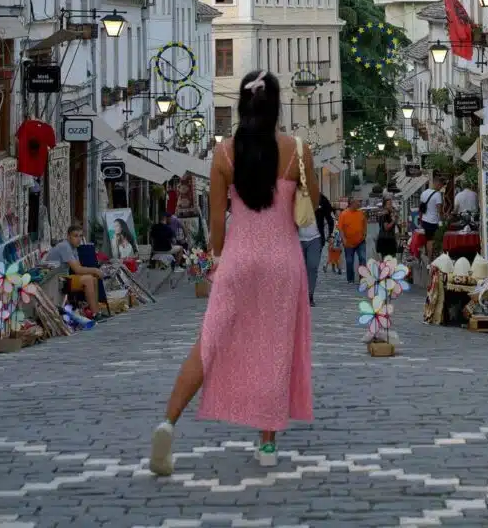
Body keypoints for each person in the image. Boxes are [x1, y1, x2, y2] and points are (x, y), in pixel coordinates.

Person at [150, 70, 316, 475]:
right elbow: (310, 211)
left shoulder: (224, 153)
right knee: (275, 347)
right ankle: (267, 442)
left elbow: (217, 229)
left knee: (208, 343)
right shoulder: (297, 150)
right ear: (277, 105)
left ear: (241, 105)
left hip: (239, 260)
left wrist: (222, 261)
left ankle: (168, 423)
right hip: (283, 262)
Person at [47, 223, 104, 318]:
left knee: (93, 278)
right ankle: (95, 314)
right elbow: (77, 270)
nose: (79, 239)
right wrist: (95, 270)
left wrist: (94, 271)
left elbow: (79, 268)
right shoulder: (64, 246)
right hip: (54, 280)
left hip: (63, 277)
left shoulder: (74, 248)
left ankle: (96, 311)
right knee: (88, 279)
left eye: (81, 236)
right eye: (75, 236)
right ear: (68, 237)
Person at [338, 196, 368, 285]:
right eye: (357, 202)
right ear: (352, 203)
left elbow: (364, 224)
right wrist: (343, 240)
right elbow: (340, 229)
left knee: (362, 258)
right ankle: (350, 279)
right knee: (349, 261)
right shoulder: (344, 214)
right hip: (348, 242)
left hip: (360, 241)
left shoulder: (361, 213)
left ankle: (362, 277)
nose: (359, 203)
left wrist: (365, 234)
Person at [419, 180, 444, 259]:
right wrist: (441, 221)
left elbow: (421, 208)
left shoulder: (424, 193)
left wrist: (420, 219)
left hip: (425, 220)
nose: (441, 188)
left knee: (428, 239)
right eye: (441, 186)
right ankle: (431, 259)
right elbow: (439, 210)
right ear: (437, 184)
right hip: (433, 221)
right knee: (433, 240)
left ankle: (429, 258)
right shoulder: (437, 194)